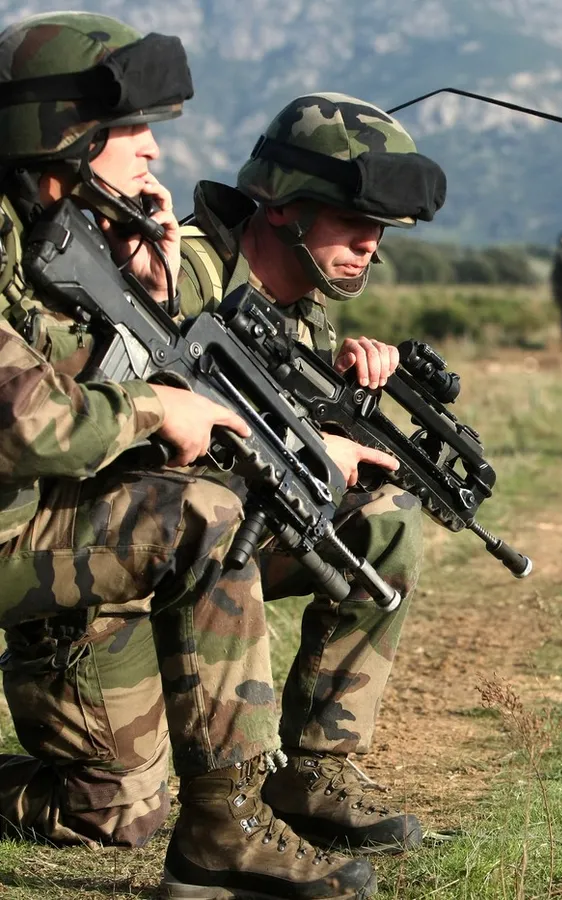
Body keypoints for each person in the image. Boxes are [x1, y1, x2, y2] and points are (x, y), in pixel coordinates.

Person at [2, 91, 447, 857]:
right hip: (101, 540)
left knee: (385, 514)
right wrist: (296, 442)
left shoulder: (303, 309)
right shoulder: (185, 267)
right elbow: (141, 436)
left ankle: (312, 772)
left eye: (381, 230)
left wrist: (338, 409)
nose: (371, 245)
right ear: (281, 209)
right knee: (111, 816)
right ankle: (225, 812)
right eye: (353, 222)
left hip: (164, 538)